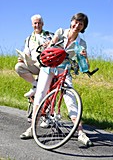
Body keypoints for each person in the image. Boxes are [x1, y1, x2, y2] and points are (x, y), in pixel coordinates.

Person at [20, 13, 93, 146]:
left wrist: (84, 57)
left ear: (83, 28)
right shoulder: (60, 32)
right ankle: (32, 129)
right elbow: (51, 45)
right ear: (71, 22)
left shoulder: (81, 43)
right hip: (49, 67)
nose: (76, 25)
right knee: (41, 94)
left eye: (80, 24)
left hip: (64, 70)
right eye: (75, 22)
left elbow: (84, 67)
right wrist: (50, 44)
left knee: (71, 99)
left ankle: (81, 132)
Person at [15, 14, 53, 98]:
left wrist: (49, 44)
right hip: (35, 65)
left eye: (39, 23)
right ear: (32, 25)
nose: (37, 25)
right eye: (35, 23)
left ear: (43, 24)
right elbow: (27, 53)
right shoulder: (29, 39)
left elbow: (56, 48)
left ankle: (38, 91)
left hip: (47, 66)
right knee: (19, 67)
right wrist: (22, 58)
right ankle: (36, 86)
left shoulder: (49, 35)